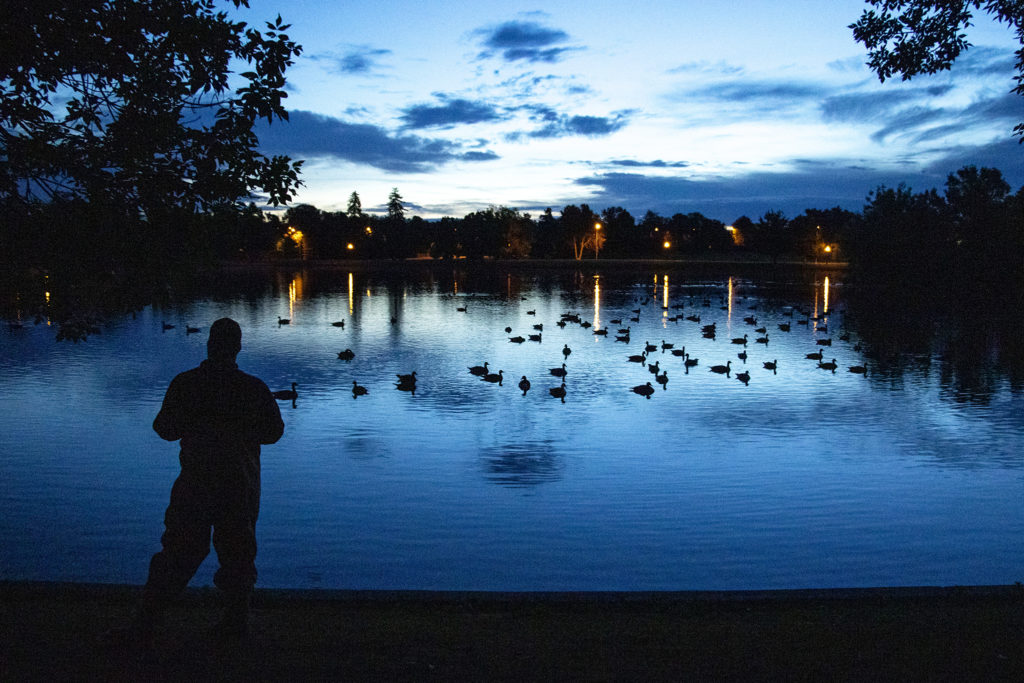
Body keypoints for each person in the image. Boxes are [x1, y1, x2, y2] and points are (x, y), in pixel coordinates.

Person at [106, 318, 284, 648]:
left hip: (196, 481)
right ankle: (236, 622)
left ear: (209, 345)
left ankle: (146, 622)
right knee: (238, 552)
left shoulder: (186, 384)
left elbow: (165, 429)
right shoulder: (252, 388)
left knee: (179, 550)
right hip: (239, 484)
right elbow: (274, 433)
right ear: (238, 347)